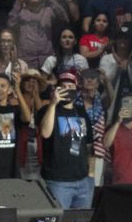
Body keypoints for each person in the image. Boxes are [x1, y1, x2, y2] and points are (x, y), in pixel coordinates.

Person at [39, 69, 95, 208]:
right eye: (62, 87)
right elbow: (45, 133)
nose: (67, 90)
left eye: (71, 87)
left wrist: (91, 175)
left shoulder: (81, 112)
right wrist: (53, 103)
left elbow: (88, 145)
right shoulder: (47, 110)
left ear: (76, 90)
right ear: (56, 90)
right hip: (58, 181)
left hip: (83, 180)